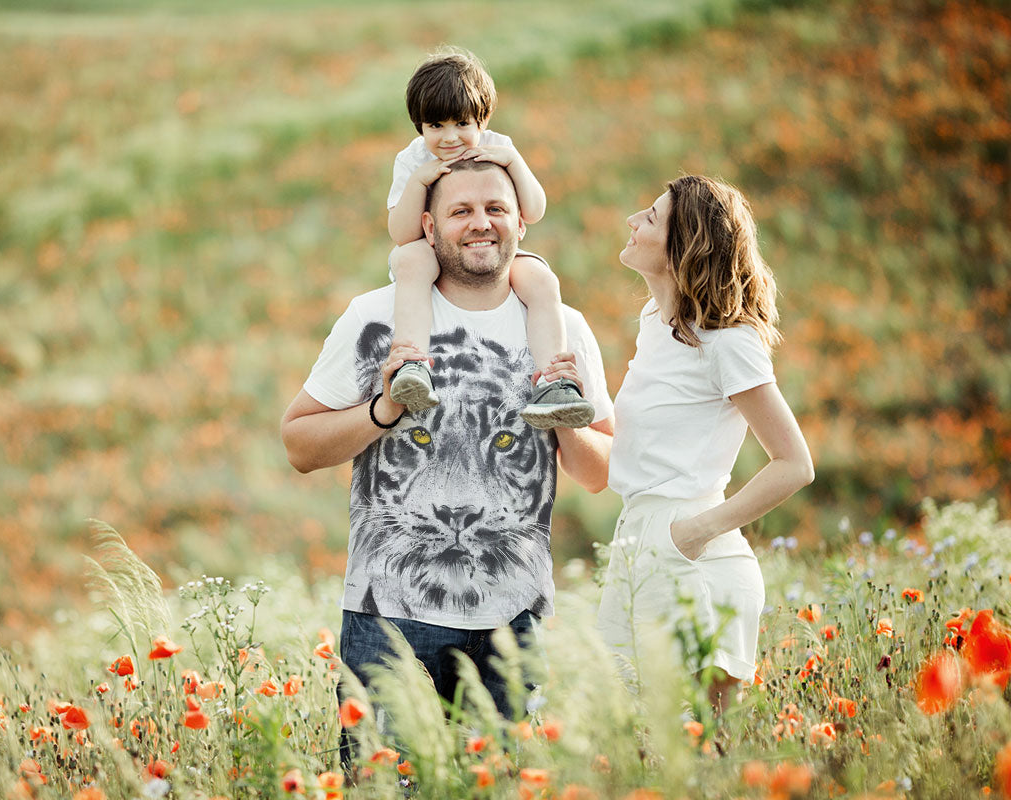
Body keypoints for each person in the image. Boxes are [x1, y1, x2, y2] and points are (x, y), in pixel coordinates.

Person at [281, 158, 614, 762]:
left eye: (495, 209)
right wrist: (385, 410)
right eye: (461, 211)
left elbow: (600, 473)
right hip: (387, 614)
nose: (480, 223)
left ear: (520, 222)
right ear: (430, 228)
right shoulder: (376, 318)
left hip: (516, 616)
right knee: (385, 789)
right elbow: (299, 444)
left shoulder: (561, 328)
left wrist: (567, 420)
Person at [596, 175, 814, 713]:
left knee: (696, 749)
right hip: (639, 538)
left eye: (651, 217)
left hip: (691, 554)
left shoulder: (728, 343)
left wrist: (693, 533)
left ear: (684, 246)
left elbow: (794, 463)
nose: (633, 221)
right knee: (631, 741)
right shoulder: (657, 322)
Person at [385, 47, 595, 430]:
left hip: (489, 251)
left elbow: (534, 210)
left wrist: (513, 162)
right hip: (430, 247)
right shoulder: (413, 160)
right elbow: (401, 234)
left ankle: (553, 382)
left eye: (462, 123)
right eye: (436, 126)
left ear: (482, 119)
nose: (450, 138)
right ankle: (412, 365)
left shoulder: (500, 146)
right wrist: (419, 182)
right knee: (412, 261)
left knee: (541, 280)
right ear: (420, 126)